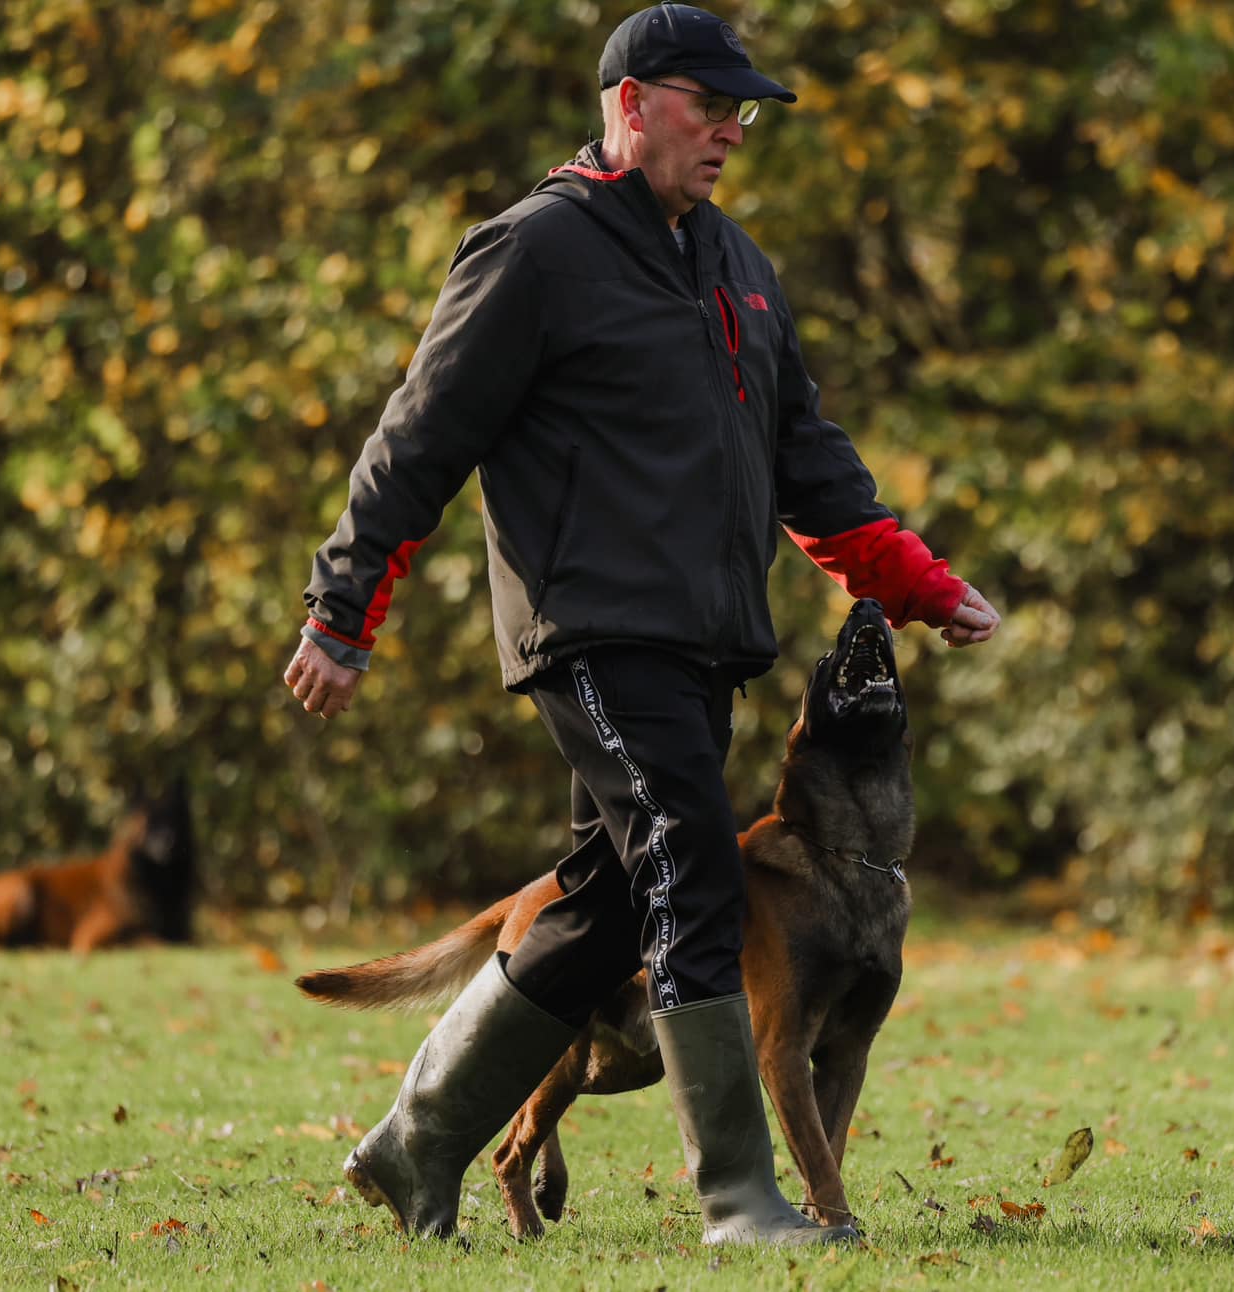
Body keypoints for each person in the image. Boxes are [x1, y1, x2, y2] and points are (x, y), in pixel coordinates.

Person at [283, 2, 999, 1247]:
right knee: (689, 852)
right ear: (628, 103)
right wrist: (345, 607)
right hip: (590, 626)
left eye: (743, 116)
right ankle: (737, 1197)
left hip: (704, 637)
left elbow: (807, 463)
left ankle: (414, 1144)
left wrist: (918, 584)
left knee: (607, 901)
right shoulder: (534, 249)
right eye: (709, 107)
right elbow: (419, 436)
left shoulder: (737, 266)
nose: (731, 131)